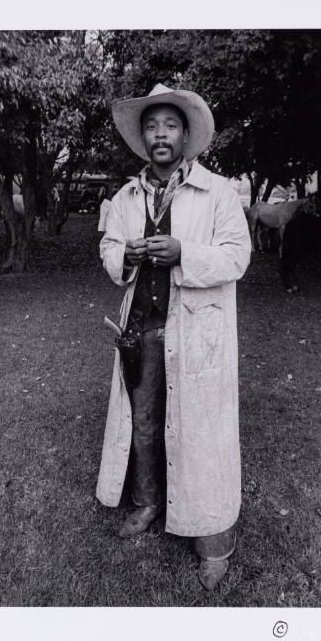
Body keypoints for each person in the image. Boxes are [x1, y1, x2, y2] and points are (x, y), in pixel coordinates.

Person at [96, 84, 251, 590]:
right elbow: (109, 248)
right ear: (143, 138)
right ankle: (145, 504)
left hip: (196, 333)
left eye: (169, 125)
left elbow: (236, 257)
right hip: (142, 328)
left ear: (185, 135)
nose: (160, 134)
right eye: (151, 126)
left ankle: (213, 541)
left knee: (201, 429)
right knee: (143, 422)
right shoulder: (126, 196)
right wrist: (127, 256)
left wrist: (185, 251)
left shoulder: (219, 193)